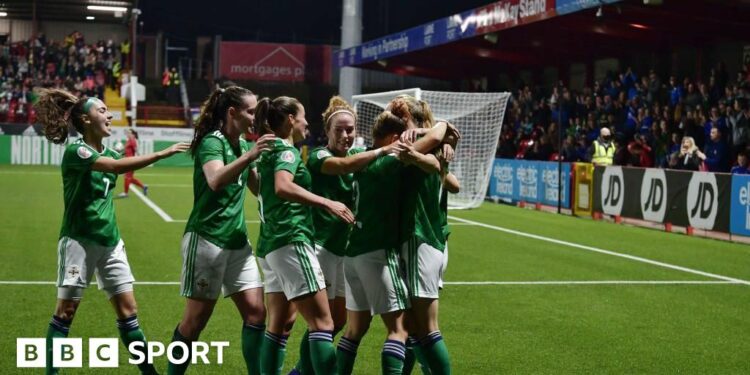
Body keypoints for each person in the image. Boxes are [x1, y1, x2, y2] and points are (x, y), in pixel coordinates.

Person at [35, 89, 189, 375]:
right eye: (103, 110)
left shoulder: (113, 151)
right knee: (65, 313)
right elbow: (116, 168)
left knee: (128, 312)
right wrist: (163, 152)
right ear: (86, 119)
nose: (110, 115)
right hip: (78, 243)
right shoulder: (77, 151)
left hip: (111, 243)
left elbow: (115, 163)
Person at [167, 86, 276, 375]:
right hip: (207, 240)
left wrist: (272, 162)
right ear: (232, 112)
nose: (255, 117)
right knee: (194, 323)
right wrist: (250, 156)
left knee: (256, 314)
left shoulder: (241, 144)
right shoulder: (212, 142)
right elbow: (215, 180)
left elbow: (258, 189)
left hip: (237, 242)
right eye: (250, 111)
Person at [291, 96, 401, 375]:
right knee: (322, 323)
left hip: (343, 251)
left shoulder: (357, 157)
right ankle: (301, 372)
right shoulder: (318, 156)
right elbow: (342, 167)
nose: (345, 135)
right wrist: (382, 151)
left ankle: (301, 370)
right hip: (319, 247)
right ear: (326, 132)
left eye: (350, 130)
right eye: (338, 130)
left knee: (337, 321)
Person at [336, 111, 443, 375]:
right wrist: (442, 127)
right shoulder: (388, 162)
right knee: (401, 329)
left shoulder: (357, 157)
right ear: (395, 139)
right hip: (377, 252)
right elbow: (435, 138)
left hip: (352, 255)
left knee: (354, 329)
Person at [254, 96, 355, 375]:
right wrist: (327, 202)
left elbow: (261, 188)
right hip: (290, 238)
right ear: (290, 120)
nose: (307, 122)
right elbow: (282, 186)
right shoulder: (287, 151)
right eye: (302, 117)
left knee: (280, 323)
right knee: (323, 324)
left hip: (271, 243)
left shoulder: (269, 150)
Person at [388, 95, 459, 375]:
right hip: (429, 239)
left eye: (402, 118)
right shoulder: (436, 148)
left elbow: (445, 174)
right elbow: (453, 184)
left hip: (421, 238)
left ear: (416, 122)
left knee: (425, 328)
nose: (396, 122)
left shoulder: (422, 148)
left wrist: (431, 134)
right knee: (411, 326)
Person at [117, 129, 149, 198]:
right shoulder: (129, 140)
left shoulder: (132, 140)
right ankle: (143, 187)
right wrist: (120, 154)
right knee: (130, 178)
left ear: (133, 134)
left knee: (127, 177)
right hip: (128, 161)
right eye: (127, 133)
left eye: (129, 133)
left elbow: (136, 150)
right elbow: (127, 151)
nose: (127, 134)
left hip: (131, 161)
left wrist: (141, 160)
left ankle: (125, 193)